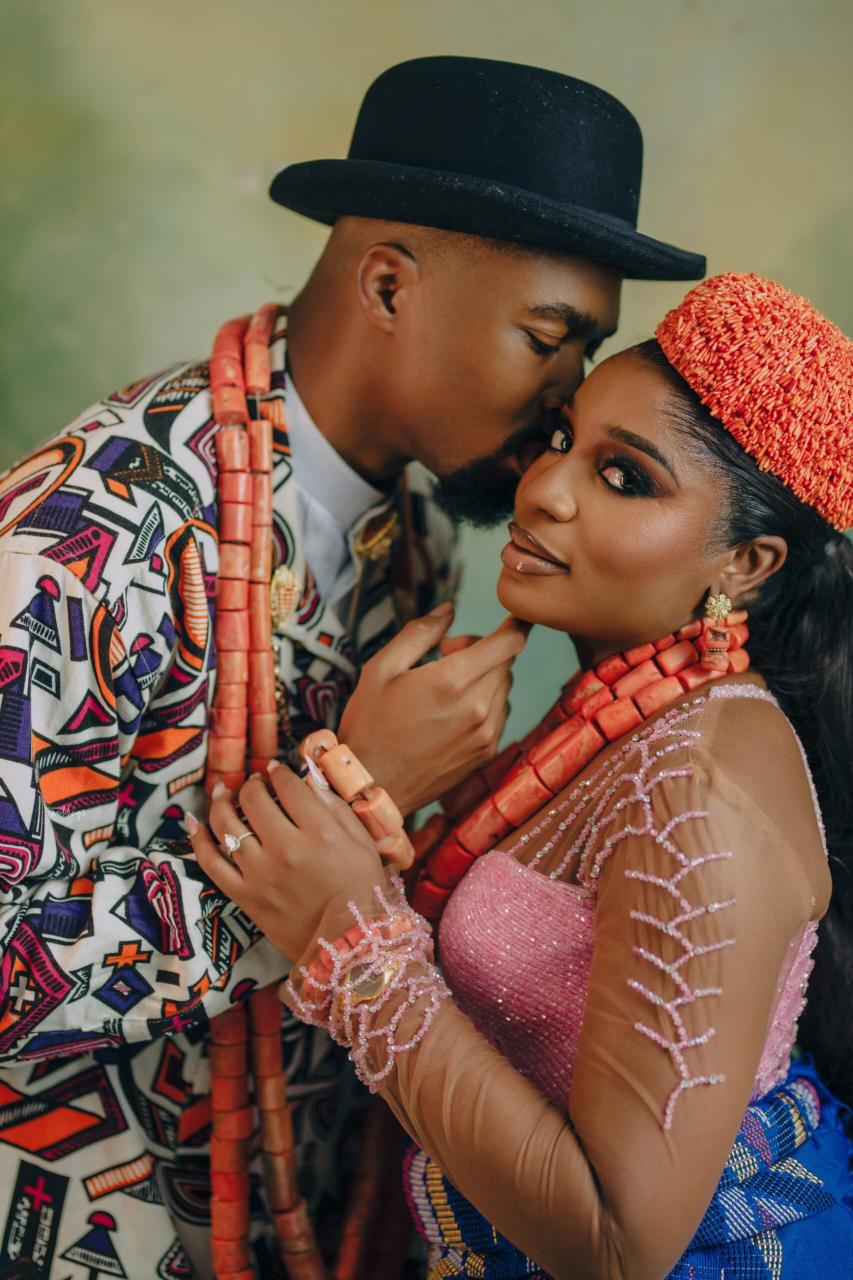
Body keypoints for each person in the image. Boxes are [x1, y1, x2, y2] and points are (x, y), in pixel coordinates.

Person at [0, 56, 704, 1279]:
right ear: (387, 283)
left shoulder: (420, 531)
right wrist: (353, 788)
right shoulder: (85, 533)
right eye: (548, 339)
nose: (566, 401)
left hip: (316, 1219)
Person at [190, 273, 853, 1279]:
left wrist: (350, 935)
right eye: (560, 438)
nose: (541, 488)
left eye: (623, 477)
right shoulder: (627, 717)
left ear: (746, 565)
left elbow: (620, 1243)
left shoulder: (697, 791)